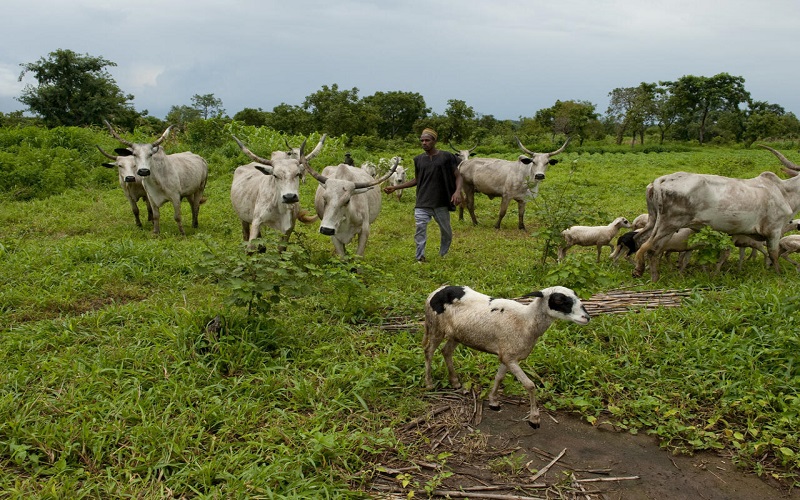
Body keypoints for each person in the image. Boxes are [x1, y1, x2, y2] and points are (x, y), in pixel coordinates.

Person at [384, 127, 462, 263]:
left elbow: (458, 176)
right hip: (423, 202)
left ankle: (443, 254)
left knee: (446, 232)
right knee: (420, 229)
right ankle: (420, 257)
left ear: (434, 141)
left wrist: (457, 192)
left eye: (427, 140)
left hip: (441, 202)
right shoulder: (418, 159)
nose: (424, 143)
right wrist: (395, 187)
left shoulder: (446, 157)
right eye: (422, 140)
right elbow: (417, 179)